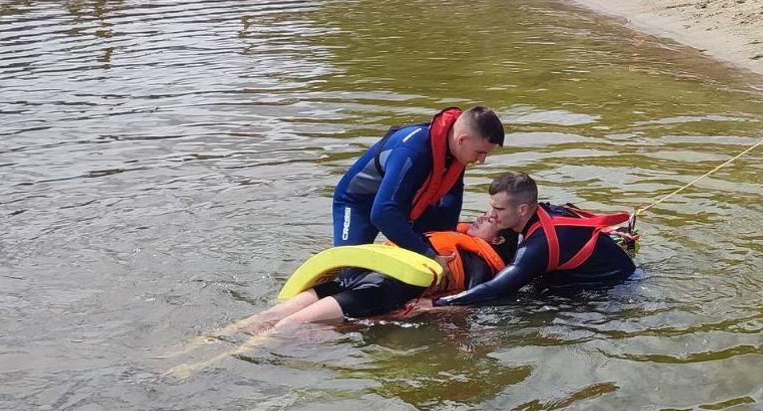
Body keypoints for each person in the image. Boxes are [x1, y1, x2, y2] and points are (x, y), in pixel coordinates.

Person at [248, 212, 519, 329]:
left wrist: (428, 308)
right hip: (363, 274)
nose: (481, 217)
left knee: (288, 324)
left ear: (497, 240)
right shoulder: (453, 234)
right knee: (273, 316)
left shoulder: (481, 263)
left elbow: (470, 304)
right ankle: (226, 344)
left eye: (490, 219)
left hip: (381, 286)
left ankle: (228, 356)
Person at [430, 172, 638, 306]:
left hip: (614, 291)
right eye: (492, 207)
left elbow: (496, 289)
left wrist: (438, 303)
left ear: (522, 209)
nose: (491, 215)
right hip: (611, 272)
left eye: (499, 209)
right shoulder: (544, 212)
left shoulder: (539, 244)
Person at [330, 106, 505, 259]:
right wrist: (428, 254)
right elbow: (382, 213)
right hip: (360, 202)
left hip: (407, 203)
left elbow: (450, 207)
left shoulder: (458, 153)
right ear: (462, 140)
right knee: (350, 269)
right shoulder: (413, 150)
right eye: (480, 152)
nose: (482, 160)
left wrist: (448, 248)